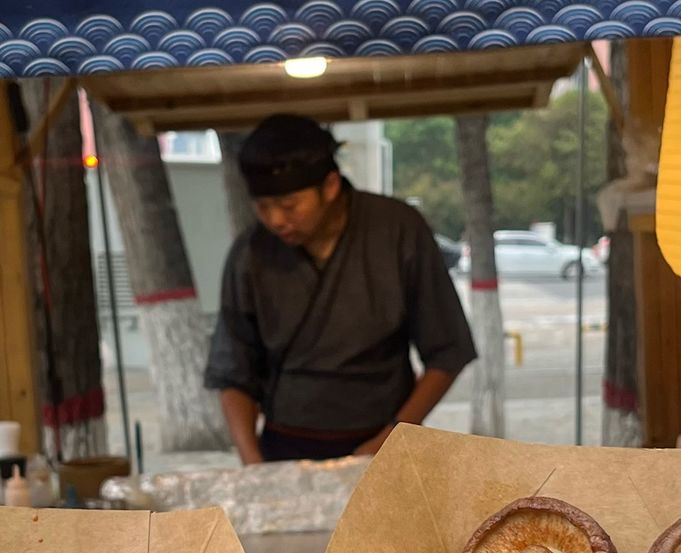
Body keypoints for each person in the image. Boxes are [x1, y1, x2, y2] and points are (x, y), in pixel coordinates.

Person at [204, 114, 477, 463]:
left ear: (330, 186)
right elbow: (234, 371)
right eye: (263, 207)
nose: (275, 220)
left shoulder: (397, 230)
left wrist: (391, 437)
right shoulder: (251, 253)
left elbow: (447, 352)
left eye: (289, 206)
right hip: (285, 445)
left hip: (386, 439)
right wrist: (252, 463)